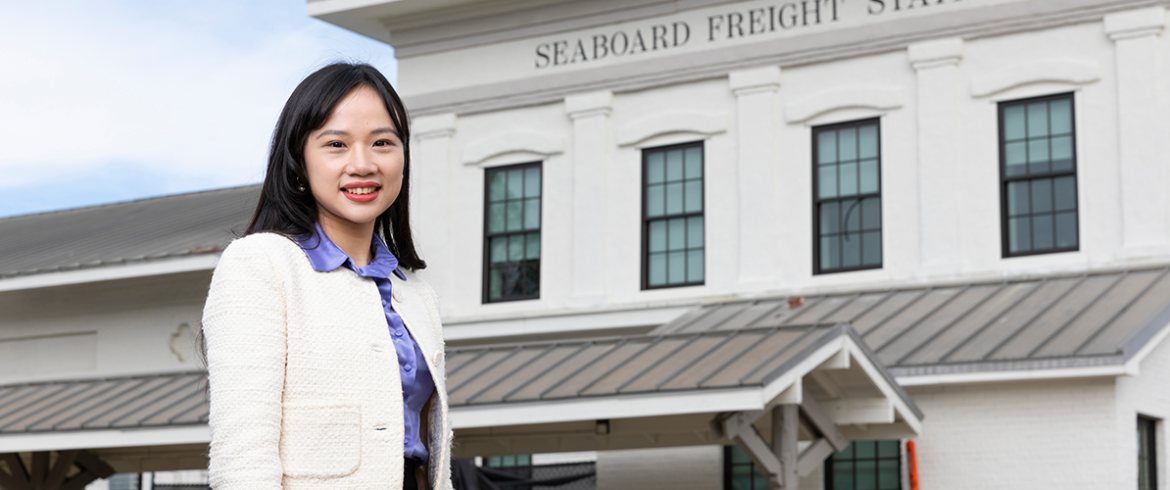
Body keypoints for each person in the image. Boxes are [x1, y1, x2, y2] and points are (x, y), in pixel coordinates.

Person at [201, 62, 452, 490]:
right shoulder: (261, 265)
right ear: (299, 160)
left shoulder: (416, 294)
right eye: (336, 144)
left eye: (382, 143)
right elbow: (243, 456)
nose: (363, 163)